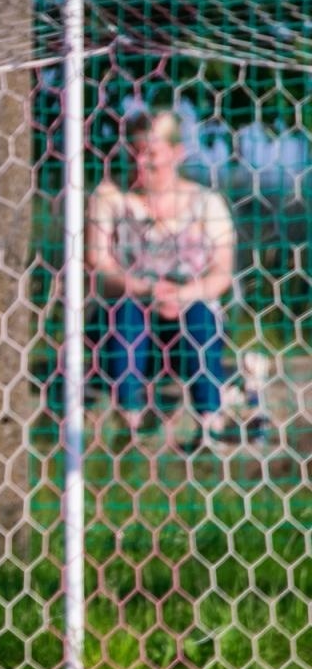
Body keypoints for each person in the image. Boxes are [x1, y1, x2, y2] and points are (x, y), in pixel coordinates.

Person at [86, 110, 266, 450]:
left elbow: (221, 273)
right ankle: (131, 422)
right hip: (125, 322)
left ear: (177, 152)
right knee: (125, 314)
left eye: (151, 155)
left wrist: (184, 294)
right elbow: (99, 263)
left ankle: (211, 425)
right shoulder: (110, 197)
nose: (141, 163)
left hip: (188, 320)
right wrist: (147, 290)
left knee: (199, 317)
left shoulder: (205, 202)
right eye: (134, 152)